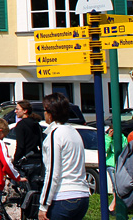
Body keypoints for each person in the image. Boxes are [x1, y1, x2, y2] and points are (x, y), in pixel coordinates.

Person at [38, 92, 89, 220]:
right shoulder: (74, 132)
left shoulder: (55, 135)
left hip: (63, 196)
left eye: (45, 110)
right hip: (82, 194)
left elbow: (52, 173)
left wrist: (43, 205)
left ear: (51, 113)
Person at [104, 126, 128, 213]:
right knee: (116, 186)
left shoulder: (123, 138)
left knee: (119, 186)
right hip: (111, 165)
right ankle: (113, 206)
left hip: (121, 164)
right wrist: (109, 137)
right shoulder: (107, 138)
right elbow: (104, 149)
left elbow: (125, 149)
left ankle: (115, 205)